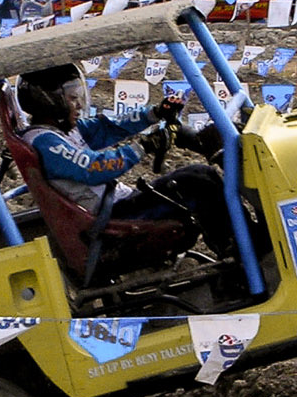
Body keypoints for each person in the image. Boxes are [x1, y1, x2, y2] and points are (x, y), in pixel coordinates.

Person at [16, 63, 236, 257]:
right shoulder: (45, 142)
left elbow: (109, 126)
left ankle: (232, 245)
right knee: (199, 183)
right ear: (50, 101)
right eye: (72, 99)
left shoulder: (63, 129)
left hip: (116, 202)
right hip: (111, 215)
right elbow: (93, 168)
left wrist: (155, 113)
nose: (80, 105)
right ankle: (236, 248)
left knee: (199, 175)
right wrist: (145, 146)